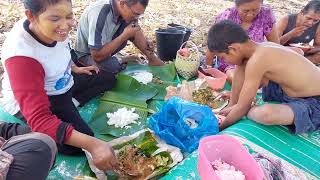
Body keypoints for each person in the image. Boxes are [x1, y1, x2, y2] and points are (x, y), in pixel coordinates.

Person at [0, 0, 118, 172]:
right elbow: (40, 117)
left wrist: (75, 67)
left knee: (107, 78)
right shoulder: (22, 57)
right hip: (44, 96)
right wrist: (92, 144)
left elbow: (62, 50)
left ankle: (70, 106)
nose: (65, 25)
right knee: (81, 145)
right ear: (31, 16)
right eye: (55, 19)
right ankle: (22, 131)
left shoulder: (51, 27)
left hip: (62, 82)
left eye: (69, 16)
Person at [208, 20, 320, 134]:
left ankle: (243, 105)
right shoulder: (259, 48)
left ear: (233, 49)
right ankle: (237, 104)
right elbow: (299, 51)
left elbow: (242, 108)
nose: (224, 61)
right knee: (242, 64)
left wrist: (220, 128)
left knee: (263, 114)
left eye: (222, 57)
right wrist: (233, 104)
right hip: (288, 91)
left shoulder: (258, 59)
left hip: (315, 101)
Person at [73, 0, 164, 73]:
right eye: (136, 13)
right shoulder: (100, 13)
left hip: (106, 49)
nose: (137, 18)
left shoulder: (123, 10)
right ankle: (120, 60)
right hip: (87, 55)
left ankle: (152, 59)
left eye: (139, 14)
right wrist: (124, 36)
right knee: (113, 68)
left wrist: (146, 43)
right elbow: (96, 56)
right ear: (122, 3)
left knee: (133, 27)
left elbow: (135, 29)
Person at [205, 0, 279, 84]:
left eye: (255, 10)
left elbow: (275, 44)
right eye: (246, 11)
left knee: (262, 81)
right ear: (237, 6)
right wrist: (208, 70)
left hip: (255, 59)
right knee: (237, 79)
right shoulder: (227, 16)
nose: (251, 14)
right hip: (231, 63)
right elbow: (213, 44)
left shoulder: (266, 15)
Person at [277, 0, 320, 64]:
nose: (310, 23)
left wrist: (307, 50)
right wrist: (290, 34)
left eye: (315, 20)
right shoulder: (286, 20)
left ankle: (296, 63)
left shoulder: (318, 25)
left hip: (302, 53)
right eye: (308, 18)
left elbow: (318, 46)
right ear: (302, 12)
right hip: (283, 50)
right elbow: (273, 43)